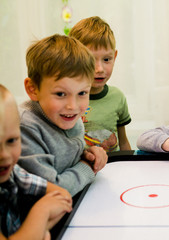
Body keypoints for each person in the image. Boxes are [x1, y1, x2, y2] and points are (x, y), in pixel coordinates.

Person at [17, 34, 108, 197]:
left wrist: (90, 154)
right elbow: (52, 192)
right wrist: (87, 166)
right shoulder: (25, 127)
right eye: (60, 94)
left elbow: (68, 157)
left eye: (82, 93)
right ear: (33, 89)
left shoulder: (67, 115)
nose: (72, 106)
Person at [0, 84, 72, 239]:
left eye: (12, 140)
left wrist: (37, 231)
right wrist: (42, 212)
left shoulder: (13, 171)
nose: (4, 155)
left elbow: (62, 195)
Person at [69, 16, 132, 152]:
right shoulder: (68, 101)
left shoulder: (117, 97)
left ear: (114, 57)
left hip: (113, 169)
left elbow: (124, 142)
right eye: (91, 60)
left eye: (106, 59)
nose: (100, 69)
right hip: (80, 170)